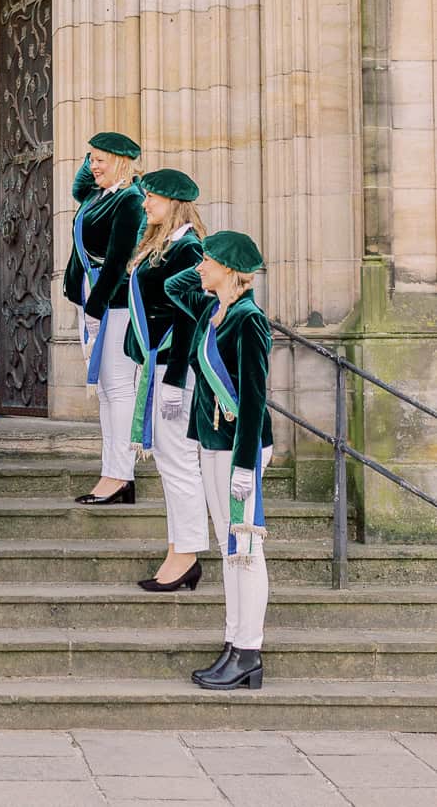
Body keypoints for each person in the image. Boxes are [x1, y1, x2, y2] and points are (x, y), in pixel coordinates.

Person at [165, 229, 273, 691]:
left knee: (245, 550)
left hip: (239, 449)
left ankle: (249, 651)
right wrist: (203, 270)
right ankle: (233, 643)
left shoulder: (248, 319)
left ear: (229, 269)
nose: (199, 265)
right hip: (212, 443)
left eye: (207, 260)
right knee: (230, 551)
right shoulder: (213, 310)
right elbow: (173, 286)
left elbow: (253, 397)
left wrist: (246, 465)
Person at [124, 168, 207, 591]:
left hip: (173, 369)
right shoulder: (165, 244)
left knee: (178, 464)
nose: (144, 203)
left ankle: (187, 553)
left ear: (173, 202)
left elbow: (190, 318)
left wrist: (175, 379)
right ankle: (178, 549)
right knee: (170, 463)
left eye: (151, 197)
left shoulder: (189, 250)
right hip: (154, 366)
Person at [63, 130, 145, 504]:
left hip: (115, 303)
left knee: (118, 388)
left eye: (100, 159)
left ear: (121, 162)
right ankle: (112, 472)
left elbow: (116, 263)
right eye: (90, 157)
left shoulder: (130, 200)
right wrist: (96, 154)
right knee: (109, 393)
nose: (91, 165)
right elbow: (80, 183)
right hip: (94, 301)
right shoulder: (97, 195)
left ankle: (121, 477)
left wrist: (95, 310)